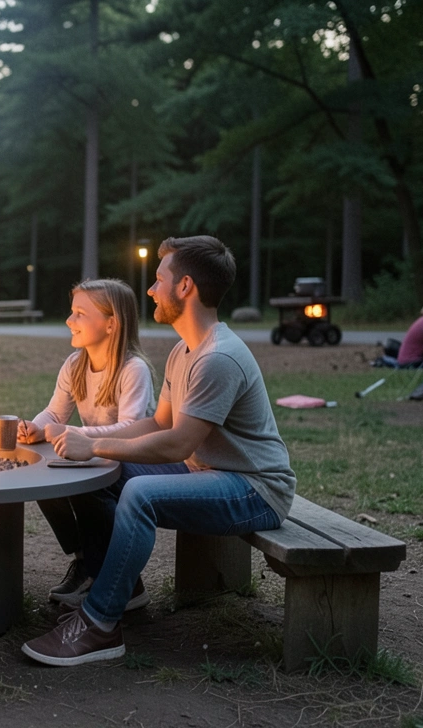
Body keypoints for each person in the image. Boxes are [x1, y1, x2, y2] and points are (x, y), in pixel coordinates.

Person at [22, 235, 295, 666]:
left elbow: (177, 443)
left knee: (139, 493)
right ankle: (120, 585)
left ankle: (100, 624)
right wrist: (95, 451)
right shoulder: (183, 352)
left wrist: (93, 442)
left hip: (254, 488)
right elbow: (157, 423)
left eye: (158, 280)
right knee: (93, 474)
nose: (150, 290)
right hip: (207, 472)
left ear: (185, 287)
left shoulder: (218, 357)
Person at [15, 279, 156, 610]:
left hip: (134, 458)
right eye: (71, 312)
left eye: (80, 313)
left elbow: (133, 428)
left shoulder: (132, 369)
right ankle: (86, 561)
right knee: (42, 476)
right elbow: (55, 412)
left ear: (111, 324)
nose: (69, 320)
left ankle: (119, 579)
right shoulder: (75, 364)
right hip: (97, 455)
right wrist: (36, 427)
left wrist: (76, 434)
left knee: (86, 485)